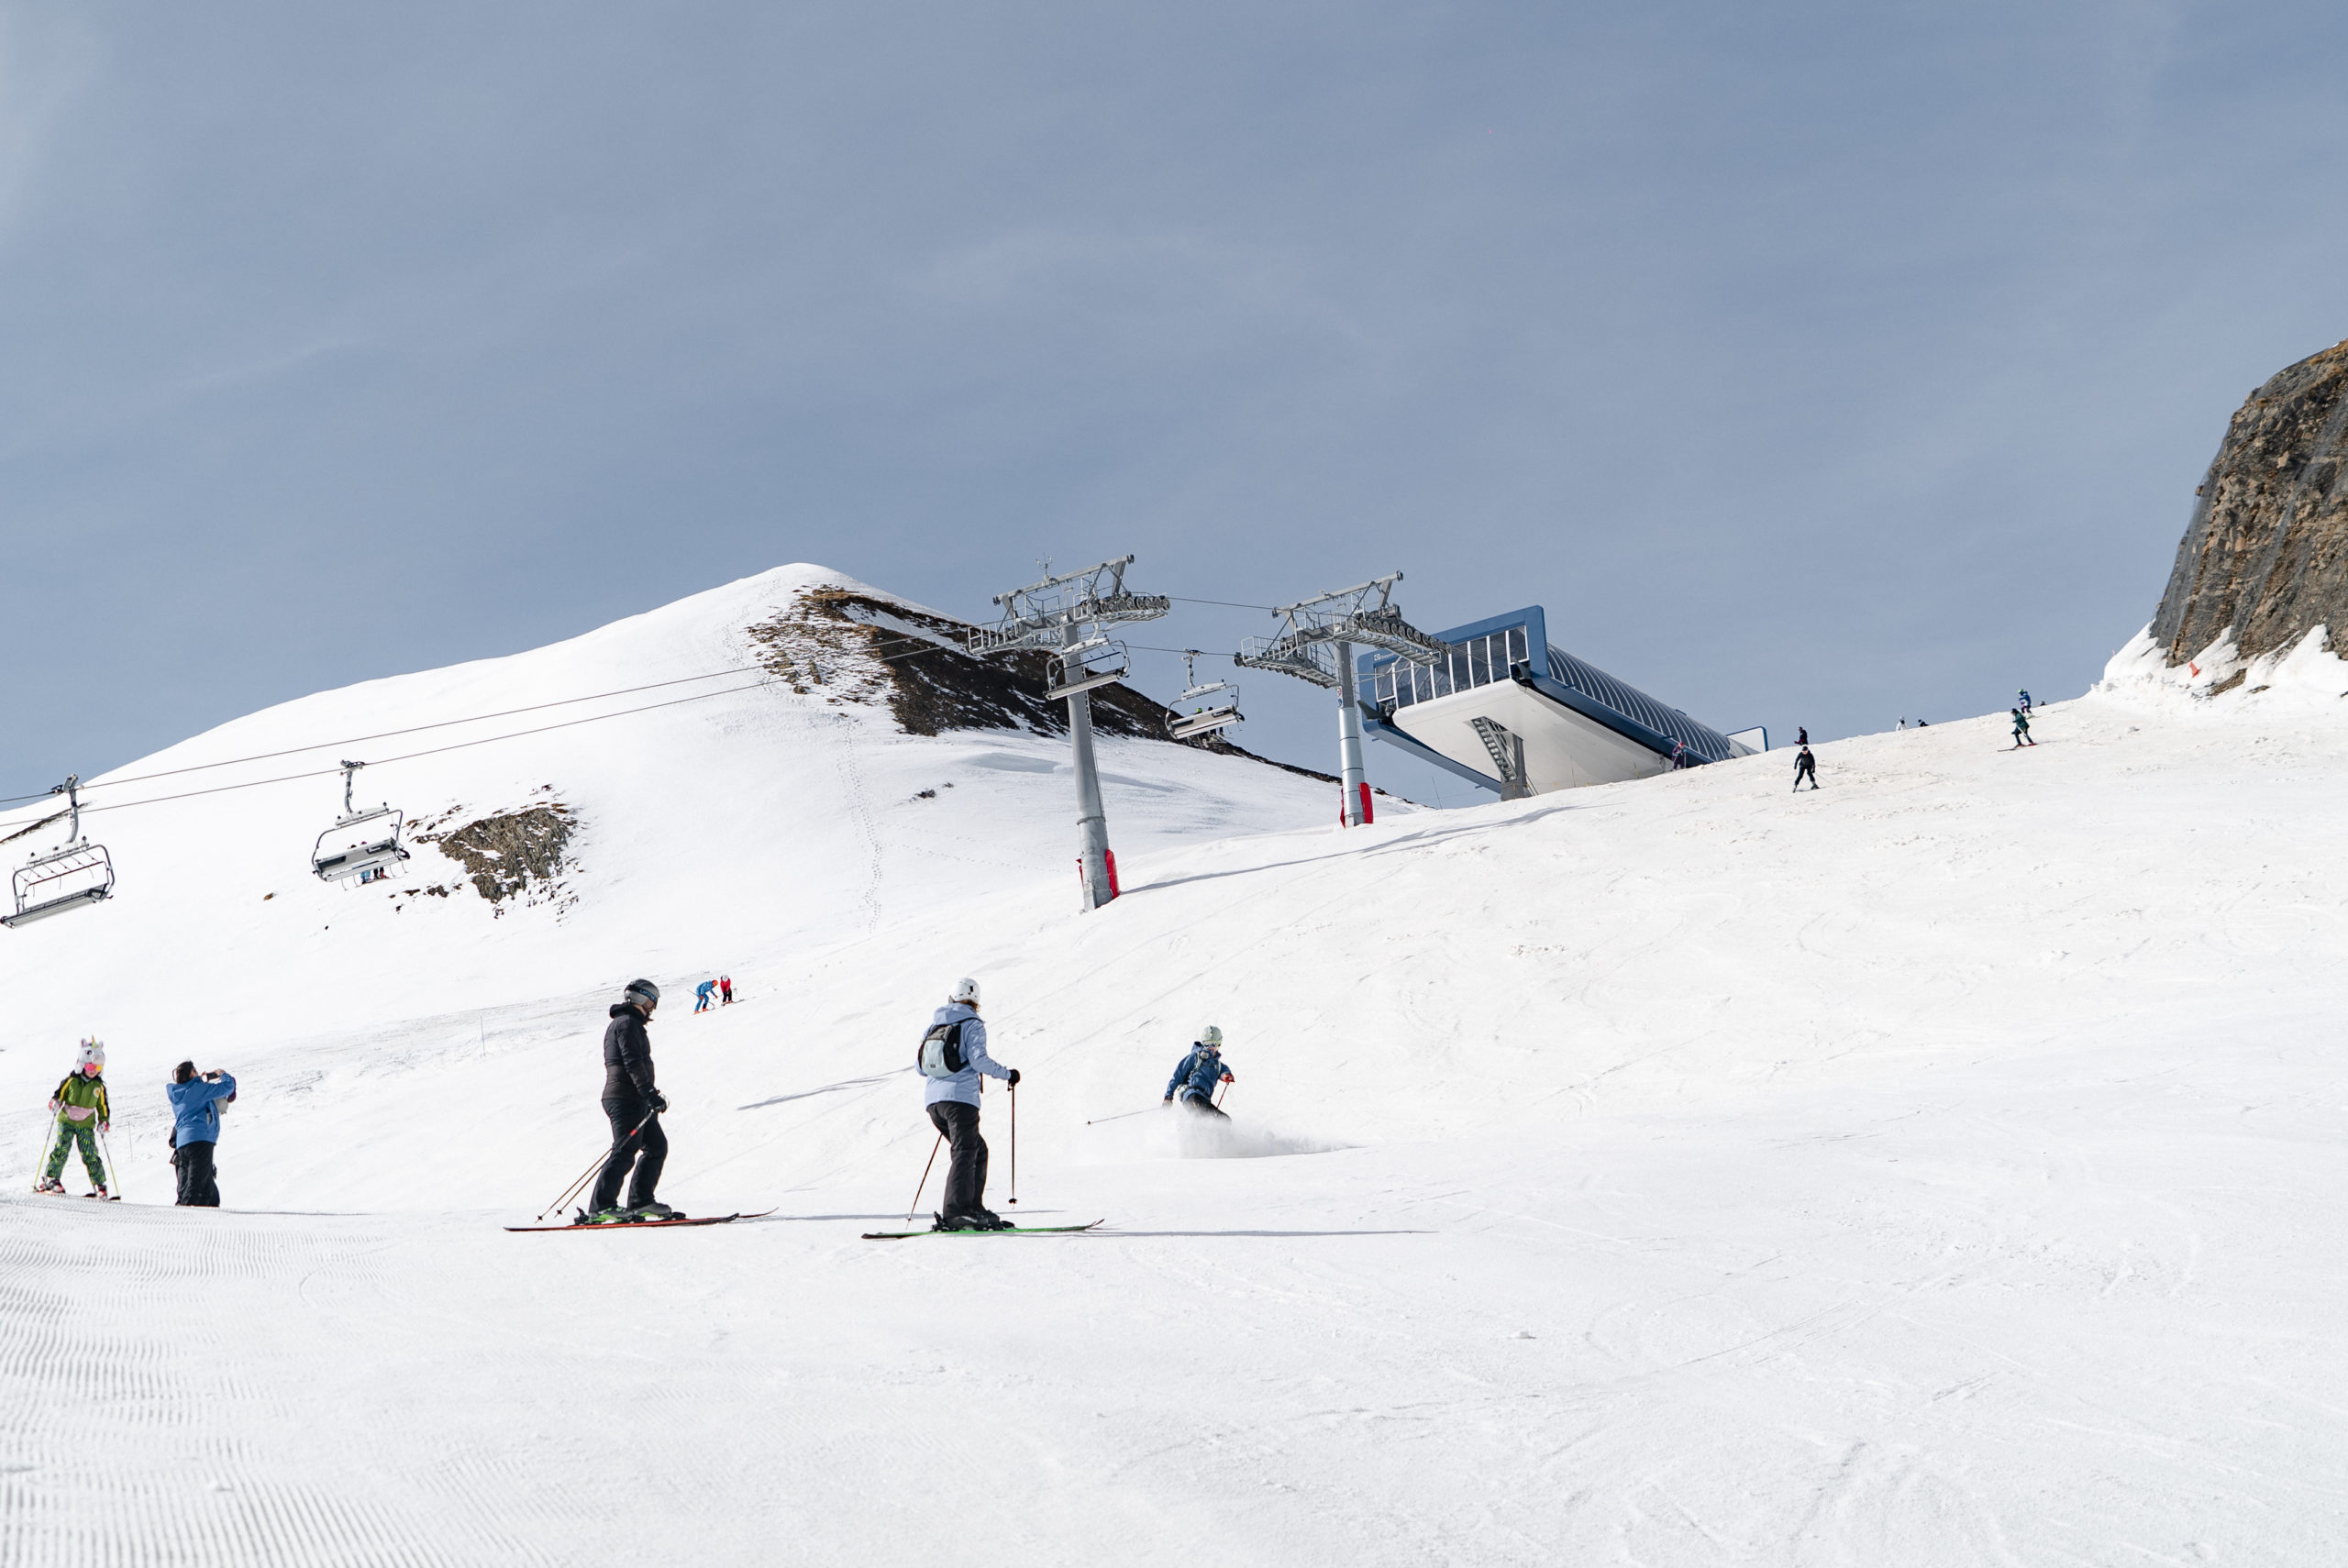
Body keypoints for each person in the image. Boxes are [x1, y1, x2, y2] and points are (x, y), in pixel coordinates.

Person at [917, 977, 1019, 1231]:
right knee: (965, 1152)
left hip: (934, 1104)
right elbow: (978, 1061)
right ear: (975, 1003)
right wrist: (1008, 1074)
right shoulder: (972, 1024)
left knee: (977, 1150)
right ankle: (956, 1212)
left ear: (951, 998)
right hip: (960, 1101)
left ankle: (973, 1208)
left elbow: (920, 1067)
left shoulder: (934, 1026)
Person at [588, 979, 674, 1221]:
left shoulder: (630, 1024)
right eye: (650, 1001)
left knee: (656, 1146)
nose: (652, 1007)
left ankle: (641, 1202)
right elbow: (632, 1062)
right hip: (624, 1097)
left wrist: (647, 1097)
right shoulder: (626, 1024)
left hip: (635, 1098)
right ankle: (601, 1207)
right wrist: (648, 1093)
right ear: (639, 999)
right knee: (625, 1151)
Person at [37, 1039, 111, 1197]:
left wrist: (104, 1121)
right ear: (82, 1064)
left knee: (90, 1152)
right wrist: (55, 1103)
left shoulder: (98, 1087)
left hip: (86, 1124)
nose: (93, 1070)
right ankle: (52, 1178)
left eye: (97, 1067)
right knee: (62, 1148)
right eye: (91, 1066)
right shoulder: (71, 1081)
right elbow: (58, 1095)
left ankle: (100, 1184)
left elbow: (103, 1106)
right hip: (67, 1121)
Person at [167, 1060, 236, 1207]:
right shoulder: (198, 1090)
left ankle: (209, 1215)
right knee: (195, 1188)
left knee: (208, 1189)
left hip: (183, 1144)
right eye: (195, 1070)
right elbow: (228, 1087)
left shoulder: (178, 1094)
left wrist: (201, 1081)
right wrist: (221, 1073)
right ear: (191, 1073)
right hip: (199, 1139)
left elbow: (193, 1093)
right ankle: (185, 1218)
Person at [1163, 1026, 1235, 1119]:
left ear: (1219, 1045)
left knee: (1224, 1120)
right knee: (1199, 1111)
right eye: (1207, 1044)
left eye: (1214, 1044)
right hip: (1191, 1094)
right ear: (1203, 1043)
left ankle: (1215, 1132)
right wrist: (1168, 1097)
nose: (1210, 1048)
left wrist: (1226, 1076)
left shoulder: (1218, 1065)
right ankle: (1192, 1130)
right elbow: (1177, 1076)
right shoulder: (1195, 1058)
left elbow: (1224, 1071)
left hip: (1205, 1099)